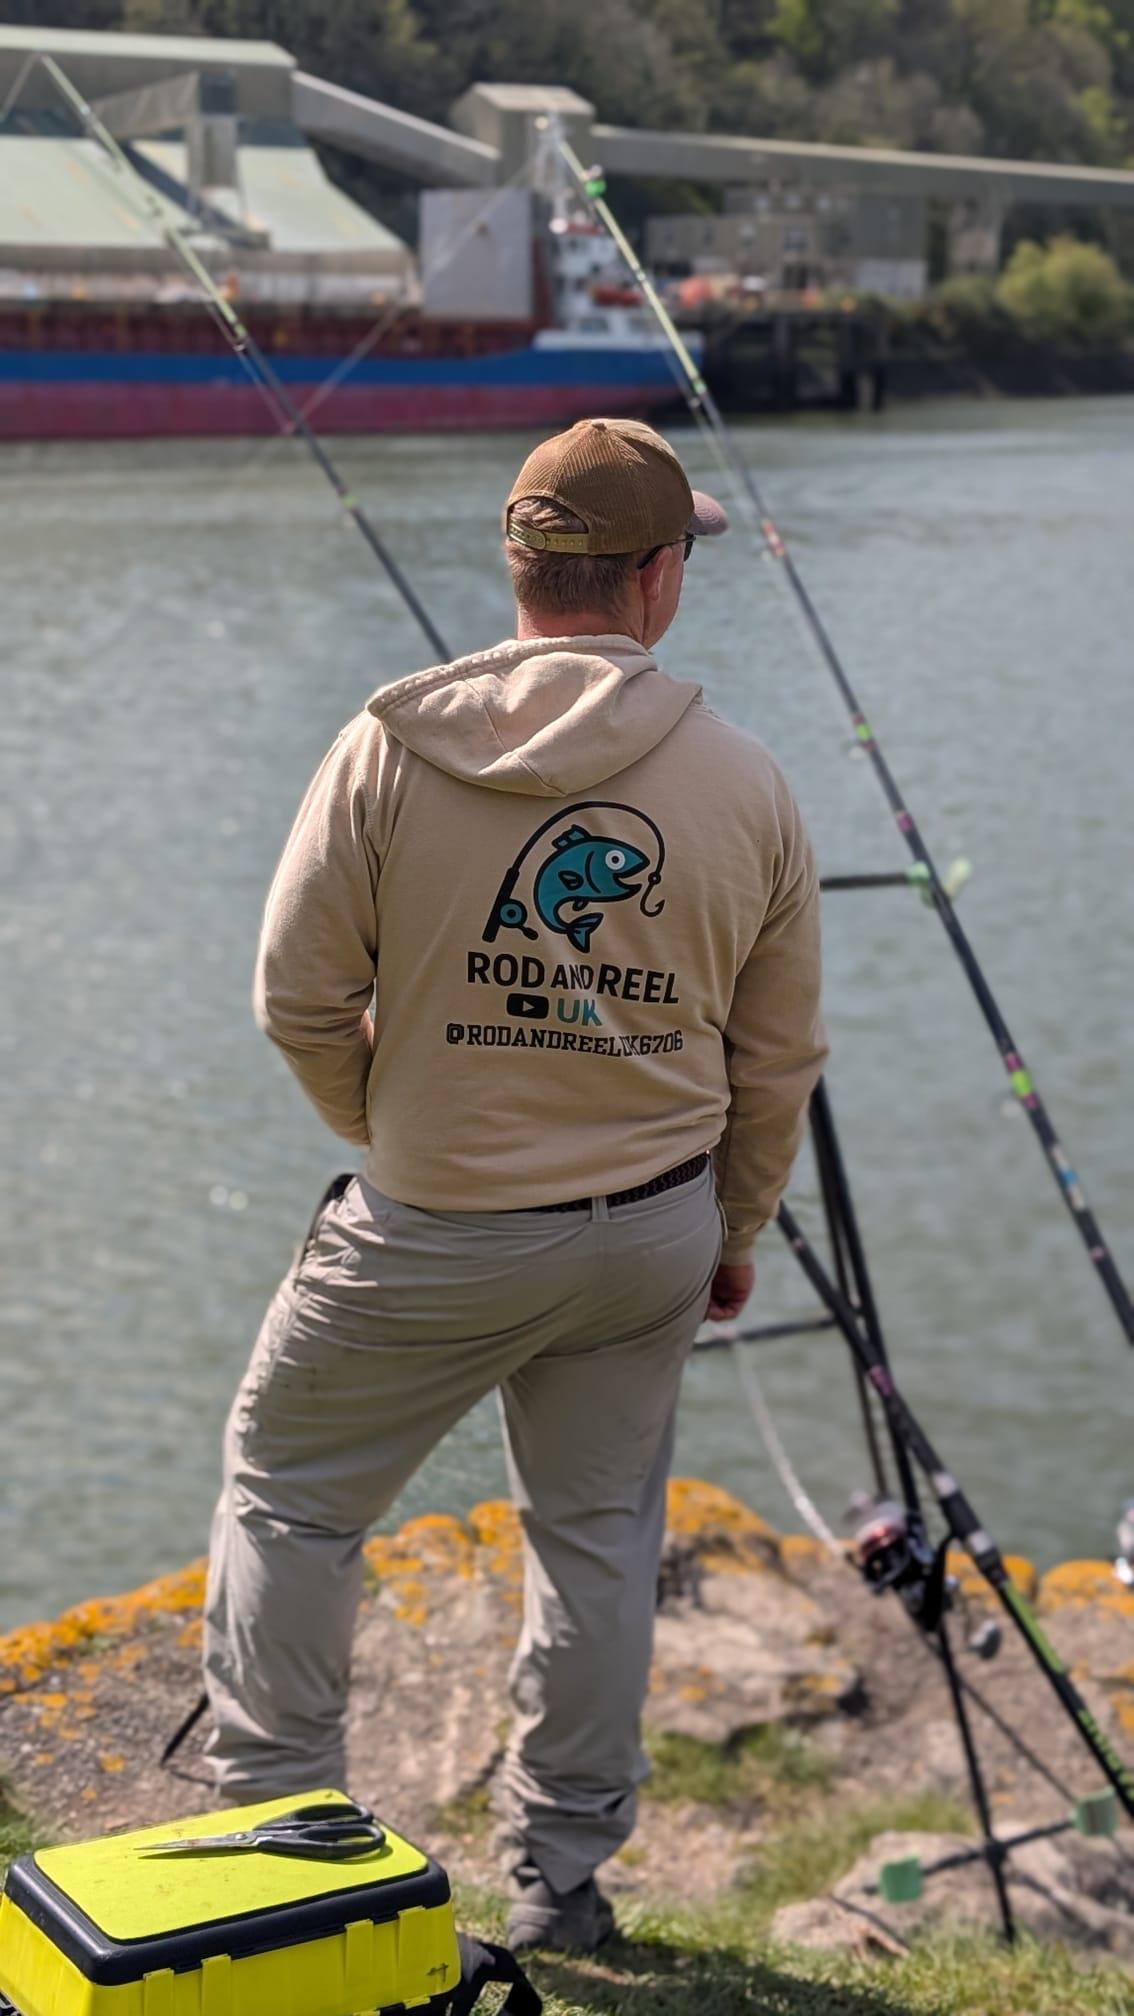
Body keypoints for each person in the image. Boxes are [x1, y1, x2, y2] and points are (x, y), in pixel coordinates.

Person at [203, 417, 827, 1953]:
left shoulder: (387, 744)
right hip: (650, 1236)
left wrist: (395, 1128)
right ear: (657, 576)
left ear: (516, 564)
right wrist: (734, 1231)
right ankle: (558, 1881)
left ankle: (282, 1846)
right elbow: (776, 1062)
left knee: (291, 1497)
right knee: (597, 1535)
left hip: (430, 1233)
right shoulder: (748, 783)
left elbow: (295, 1000)